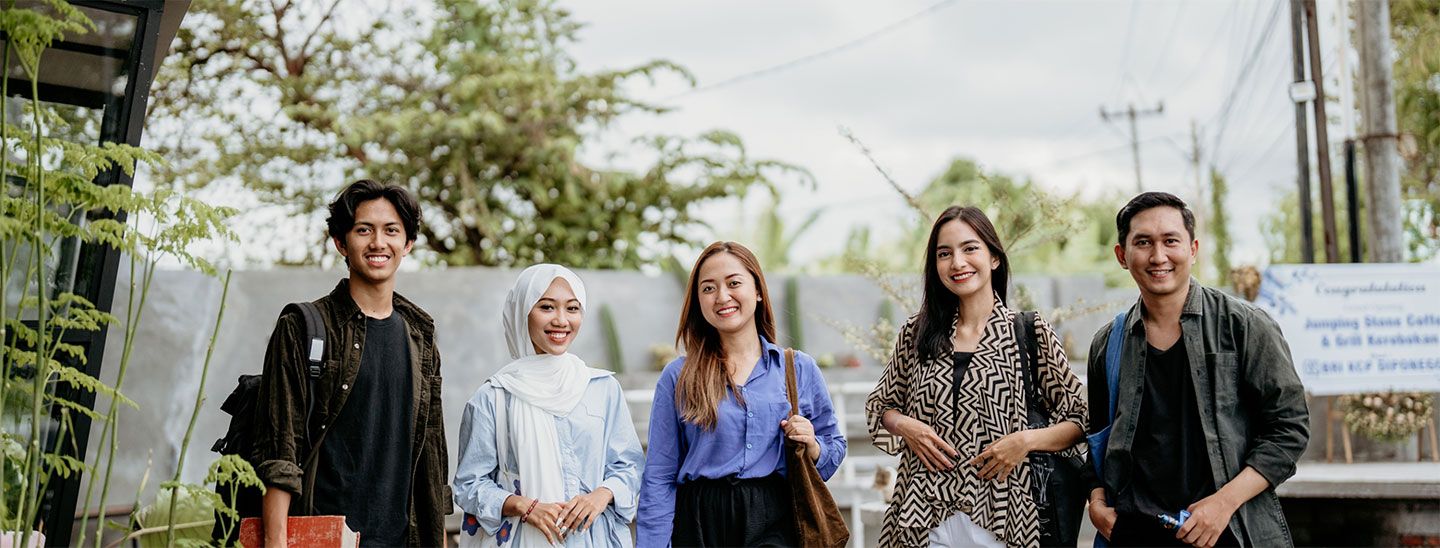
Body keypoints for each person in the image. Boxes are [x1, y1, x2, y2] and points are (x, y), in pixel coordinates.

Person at [1084, 192, 1309, 547]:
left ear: (1192, 248)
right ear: (1122, 256)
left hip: (1229, 530)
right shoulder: (1108, 344)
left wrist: (1224, 503)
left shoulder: (1244, 326)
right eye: (1143, 243)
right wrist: (1096, 502)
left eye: (1170, 241)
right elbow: (1097, 435)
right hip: (1134, 533)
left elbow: (1289, 428)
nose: (1158, 256)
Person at [866, 206, 1087, 548]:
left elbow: (1079, 418)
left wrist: (1024, 441)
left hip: (1005, 514)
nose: (957, 263)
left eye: (970, 248)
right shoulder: (916, 332)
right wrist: (907, 427)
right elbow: (881, 406)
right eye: (944, 253)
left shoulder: (1029, 332)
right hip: (922, 512)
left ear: (994, 258)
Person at [253, 179, 450, 546]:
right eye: (364, 230)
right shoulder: (303, 327)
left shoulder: (420, 335)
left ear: (407, 244)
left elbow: (431, 457)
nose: (378, 242)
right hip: (321, 537)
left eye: (391, 231)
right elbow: (281, 446)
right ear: (341, 242)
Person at [637, 241, 846, 547]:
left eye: (734, 283)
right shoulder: (678, 376)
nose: (722, 296)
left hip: (775, 519)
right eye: (708, 288)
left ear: (758, 290)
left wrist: (812, 444)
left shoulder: (798, 369)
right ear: (698, 300)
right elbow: (659, 474)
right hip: (698, 524)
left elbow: (833, 452)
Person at [453, 264, 645, 547]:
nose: (561, 320)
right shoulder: (494, 397)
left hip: (594, 539)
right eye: (546, 307)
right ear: (522, 313)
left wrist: (600, 495)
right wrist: (524, 506)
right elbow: (470, 485)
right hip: (524, 539)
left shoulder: (602, 388)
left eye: (572, 308)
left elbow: (629, 465)